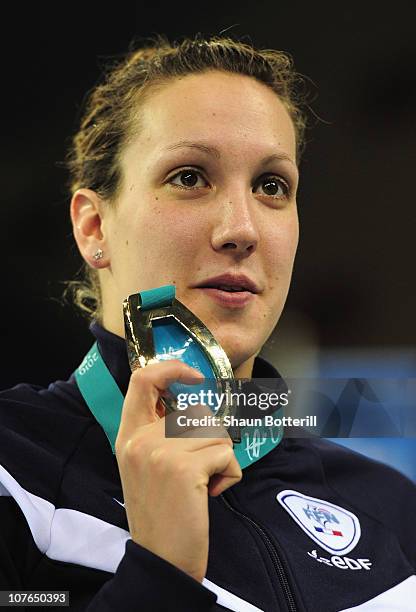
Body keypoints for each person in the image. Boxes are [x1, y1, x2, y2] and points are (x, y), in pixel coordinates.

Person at [0, 35, 415, 612]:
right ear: (94, 228)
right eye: (190, 176)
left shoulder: (393, 508)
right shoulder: (13, 471)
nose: (241, 228)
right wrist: (161, 573)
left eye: (272, 186)